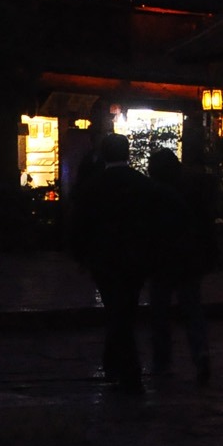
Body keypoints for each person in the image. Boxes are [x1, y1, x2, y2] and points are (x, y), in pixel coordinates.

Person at [70, 133, 166, 394]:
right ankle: (118, 362)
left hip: (105, 258)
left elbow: (80, 224)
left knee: (116, 308)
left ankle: (124, 366)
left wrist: (81, 256)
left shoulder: (93, 186)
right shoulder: (143, 185)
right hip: (136, 258)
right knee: (126, 308)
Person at [147, 149, 215, 385]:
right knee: (193, 310)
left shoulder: (154, 192)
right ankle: (200, 352)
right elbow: (205, 222)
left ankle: (162, 362)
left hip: (162, 259)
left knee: (160, 314)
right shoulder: (193, 186)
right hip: (189, 257)